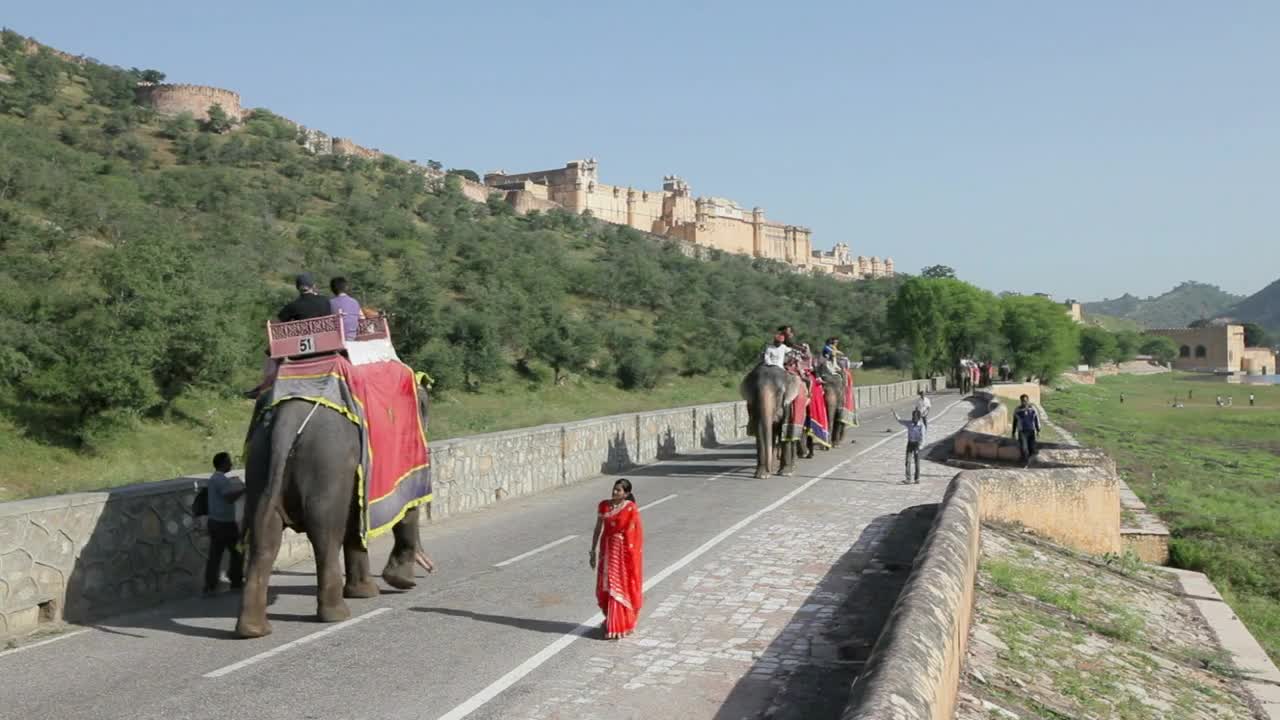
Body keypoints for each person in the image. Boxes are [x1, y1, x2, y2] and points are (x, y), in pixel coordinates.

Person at [589, 479, 644, 640]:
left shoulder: (630, 508)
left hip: (621, 552)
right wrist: (593, 550)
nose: (615, 493)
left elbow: (635, 533)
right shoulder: (604, 506)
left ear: (626, 494)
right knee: (605, 586)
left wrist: (629, 554)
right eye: (614, 489)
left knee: (617, 586)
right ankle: (610, 619)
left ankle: (619, 625)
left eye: (619, 490)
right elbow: (598, 528)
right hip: (606, 550)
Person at [204, 452, 245, 595]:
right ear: (222, 463)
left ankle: (210, 586)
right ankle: (236, 581)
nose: (231, 464)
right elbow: (228, 497)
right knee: (237, 552)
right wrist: (244, 489)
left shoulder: (214, 479)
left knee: (215, 555)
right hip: (225, 524)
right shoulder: (220, 480)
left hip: (215, 522)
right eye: (228, 461)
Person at [891, 407, 926, 484]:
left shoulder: (921, 426)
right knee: (908, 461)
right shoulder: (909, 423)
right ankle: (908, 479)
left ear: (919, 418)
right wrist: (895, 414)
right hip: (910, 443)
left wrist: (920, 447)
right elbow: (900, 421)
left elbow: (923, 438)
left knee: (917, 462)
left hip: (917, 444)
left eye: (915, 417)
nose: (913, 418)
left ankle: (917, 479)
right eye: (913, 417)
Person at [329, 276, 362, 341]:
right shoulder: (354, 302)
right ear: (346, 287)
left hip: (337, 339)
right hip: (353, 336)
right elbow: (361, 318)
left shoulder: (330, 303)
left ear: (332, 289)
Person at [1011, 395, 1041, 466]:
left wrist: (1038, 430)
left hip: (1031, 431)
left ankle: (1029, 463)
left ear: (1028, 400)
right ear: (1021, 401)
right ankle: (1025, 462)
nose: (1024, 402)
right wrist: (1013, 432)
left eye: (1026, 400)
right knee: (1024, 448)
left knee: (1032, 448)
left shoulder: (1032, 409)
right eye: (1023, 401)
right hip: (1022, 432)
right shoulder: (1017, 410)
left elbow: (1036, 419)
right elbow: (1015, 421)